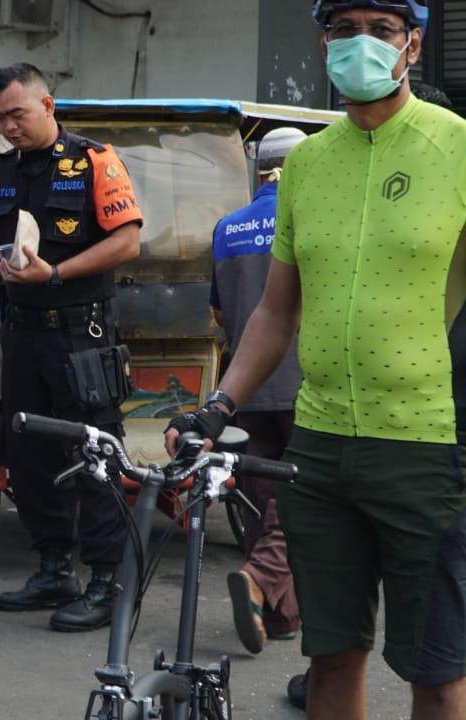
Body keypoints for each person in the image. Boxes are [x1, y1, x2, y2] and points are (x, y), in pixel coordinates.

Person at [165, 2, 466, 718]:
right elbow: (275, 312)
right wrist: (218, 406)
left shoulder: (456, 147)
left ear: (413, 46)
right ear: (323, 42)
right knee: (330, 658)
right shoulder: (305, 165)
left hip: (429, 445)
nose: (360, 44)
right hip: (321, 449)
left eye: (381, 29)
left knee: (438, 670)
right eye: (343, 29)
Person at [0, 63, 142, 632]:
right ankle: (54, 569)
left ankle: (104, 582)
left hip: (80, 335)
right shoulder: (1, 170)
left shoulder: (95, 161)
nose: (9, 127)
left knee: (93, 458)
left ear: (48, 105)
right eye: (0, 118)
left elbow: (127, 241)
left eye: (17, 115)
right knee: (27, 454)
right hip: (22, 332)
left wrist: (56, 273)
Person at [210, 127, 306, 655]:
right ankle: (259, 577)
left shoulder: (227, 227)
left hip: (242, 386)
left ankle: (282, 614)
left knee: (255, 496)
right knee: (298, 498)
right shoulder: (309, 218)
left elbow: (222, 312)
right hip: (304, 383)